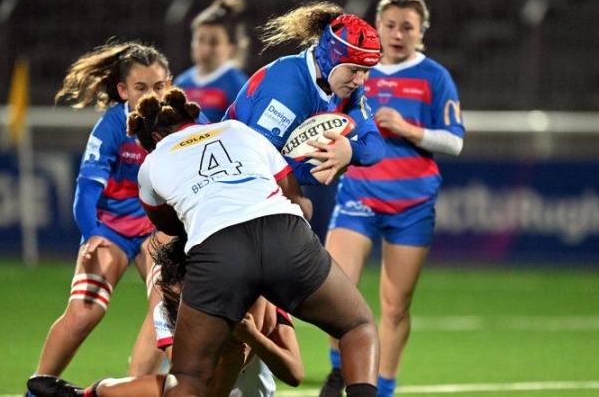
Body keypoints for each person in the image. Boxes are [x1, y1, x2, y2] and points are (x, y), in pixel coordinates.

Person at [125, 88, 379, 397]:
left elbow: (171, 227)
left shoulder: (151, 165)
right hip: (284, 234)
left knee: (189, 376)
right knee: (357, 327)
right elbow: (297, 200)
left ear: (151, 138)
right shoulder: (238, 130)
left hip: (218, 252)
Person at [26, 42, 208, 394]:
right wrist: (91, 233)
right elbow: (87, 188)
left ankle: (133, 389)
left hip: (157, 226)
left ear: (169, 83)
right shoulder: (111, 126)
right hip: (110, 227)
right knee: (85, 311)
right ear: (123, 90)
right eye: (140, 88)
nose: (150, 95)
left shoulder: (187, 119)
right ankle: (37, 389)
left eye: (158, 87)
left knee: (166, 309)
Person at [319, 0, 465, 397]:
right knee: (336, 289)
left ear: (422, 33)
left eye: (408, 27)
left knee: (395, 306)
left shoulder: (434, 77)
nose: (398, 34)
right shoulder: (360, 69)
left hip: (411, 205)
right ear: (377, 28)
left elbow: (455, 141)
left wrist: (409, 129)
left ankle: (381, 389)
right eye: (390, 25)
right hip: (359, 195)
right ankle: (337, 372)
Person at [27, 236, 304, 397]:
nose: (181, 306)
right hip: (195, 392)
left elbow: (294, 373)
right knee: (117, 389)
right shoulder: (166, 308)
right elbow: (187, 378)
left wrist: (253, 338)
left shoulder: (255, 297)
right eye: (173, 297)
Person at [224, 2, 385, 186]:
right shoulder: (289, 87)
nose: (360, 80)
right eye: (354, 69)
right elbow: (258, 161)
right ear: (329, 58)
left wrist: (350, 151)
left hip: (255, 175)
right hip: (229, 174)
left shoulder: (349, 84)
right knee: (304, 205)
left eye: (366, 70)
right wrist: (312, 174)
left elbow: (375, 146)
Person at [174, 0, 249, 123]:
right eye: (200, 40)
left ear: (231, 46)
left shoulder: (238, 85)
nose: (205, 49)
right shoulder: (181, 83)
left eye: (214, 42)